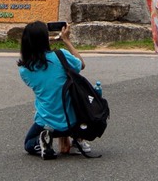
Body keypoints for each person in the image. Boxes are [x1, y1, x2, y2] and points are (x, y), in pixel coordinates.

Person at [17, 20, 99, 159]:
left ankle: (43, 141)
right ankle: (77, 139)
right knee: (69, 100)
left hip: (46, 122)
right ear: (45, 39)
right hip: (72, 122)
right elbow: (81, 65)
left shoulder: (25, 70)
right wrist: (66, 40)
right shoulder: (61, 56)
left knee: (29, 144)